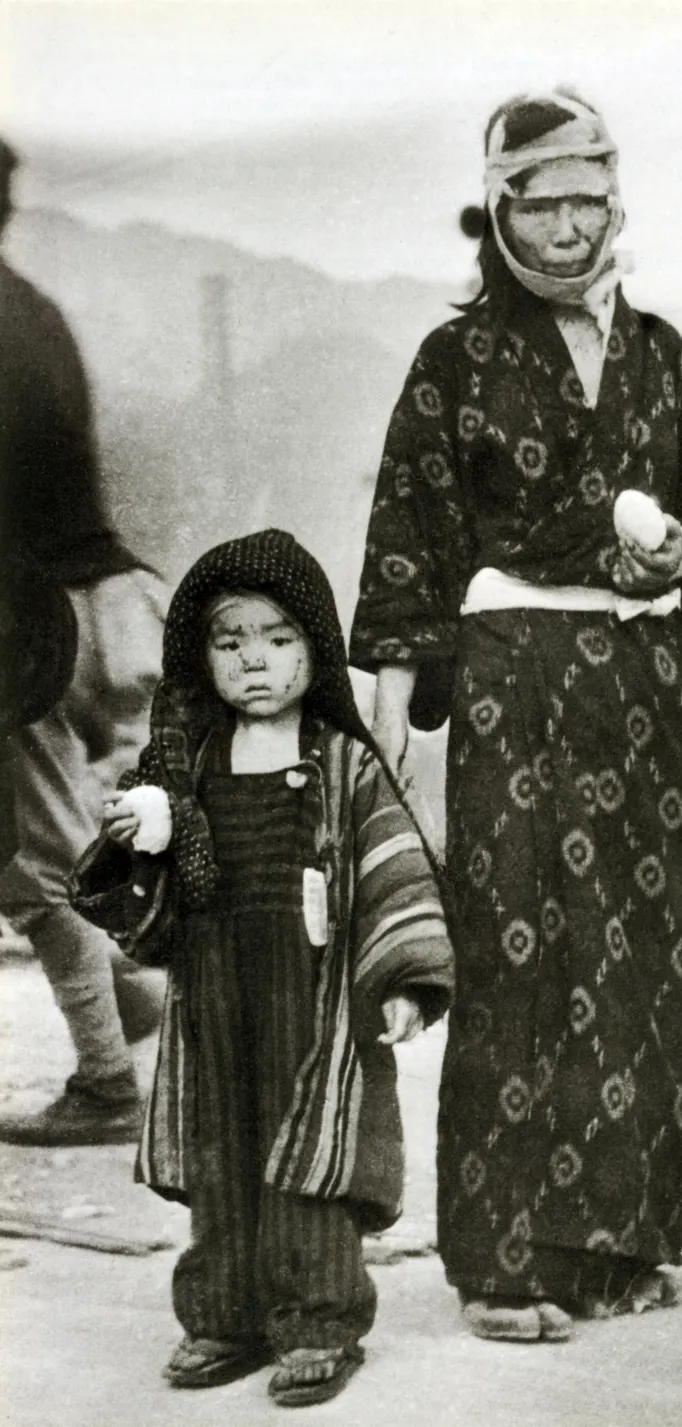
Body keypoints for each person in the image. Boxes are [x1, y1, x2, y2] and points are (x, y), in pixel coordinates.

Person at [349, 88, 682, 1342]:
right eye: (544, 202)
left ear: (613, 201)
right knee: (518, 950)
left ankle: (623, 1237)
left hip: (639, 699)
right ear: (501, 212)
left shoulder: (669, 358)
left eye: (590, 199)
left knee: (641, 955)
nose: (570, 226)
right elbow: (410, 530)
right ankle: (506, 1262)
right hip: (513, 683)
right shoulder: (454, 361)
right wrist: (397, 704)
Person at [96, 528, 453, 1406]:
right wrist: (142, 837)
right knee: (220, 1153)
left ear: (316, 650)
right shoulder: (191, 770)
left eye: (279, 638)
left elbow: (393, 866)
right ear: (202, 657)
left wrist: (406, 978)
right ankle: (223, 1314)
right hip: (213, 991)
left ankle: (319, 1320)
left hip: (315, 995)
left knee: (310, 1155)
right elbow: (146, 898)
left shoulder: (343, 765)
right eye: (231, 641)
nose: (255, 661)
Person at [0, 135, 167, 1146]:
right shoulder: (32, 310)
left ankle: (109, 1081)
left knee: (37, 858)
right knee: (28, 844)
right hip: (83, 601)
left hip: (25, 621)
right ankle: (127, 998)